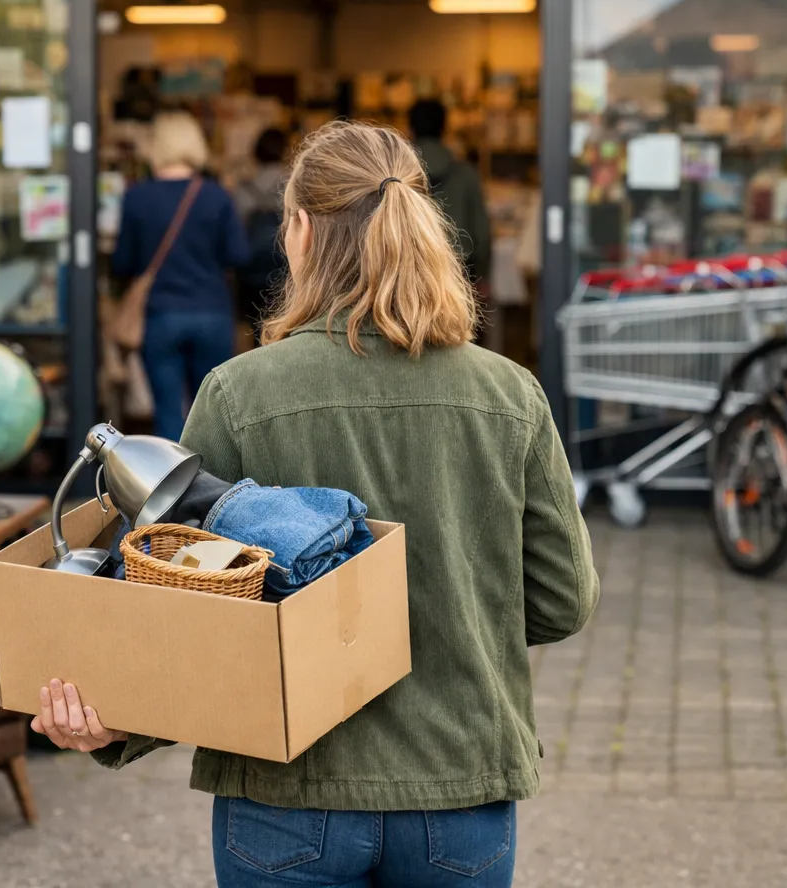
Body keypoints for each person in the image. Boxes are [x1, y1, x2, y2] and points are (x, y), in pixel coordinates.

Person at [36, 121, 598, 887]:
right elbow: (562, 602)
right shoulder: (511, 394)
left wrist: (110, 726)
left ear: (300, 229)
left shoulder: (240, 394)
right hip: (460, 786)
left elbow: (181, 609)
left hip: (284, 793)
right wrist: (463, 613)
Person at [111, 111, 248, 441]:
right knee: (215, 413)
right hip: (211, 313)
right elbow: (238, 254)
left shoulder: (136, 197)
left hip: (160, 316)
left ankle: (172, 489)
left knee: (168, 412)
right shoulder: (216, 195)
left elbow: (122, 262)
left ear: (156, 147)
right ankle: (215, 488)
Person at [409, 97, 491, 298]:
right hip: (458, 272)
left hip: (410, 271)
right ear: (445, 128)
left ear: (410, 128)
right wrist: (483, 274)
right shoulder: (466, 173)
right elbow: (482, 232)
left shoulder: (398, 174)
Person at [234, 127, 289, 343]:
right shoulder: (293, 185)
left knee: (256, 329)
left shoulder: (243, 189)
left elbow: (237, 231)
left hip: (251, 270)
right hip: (285, 268)